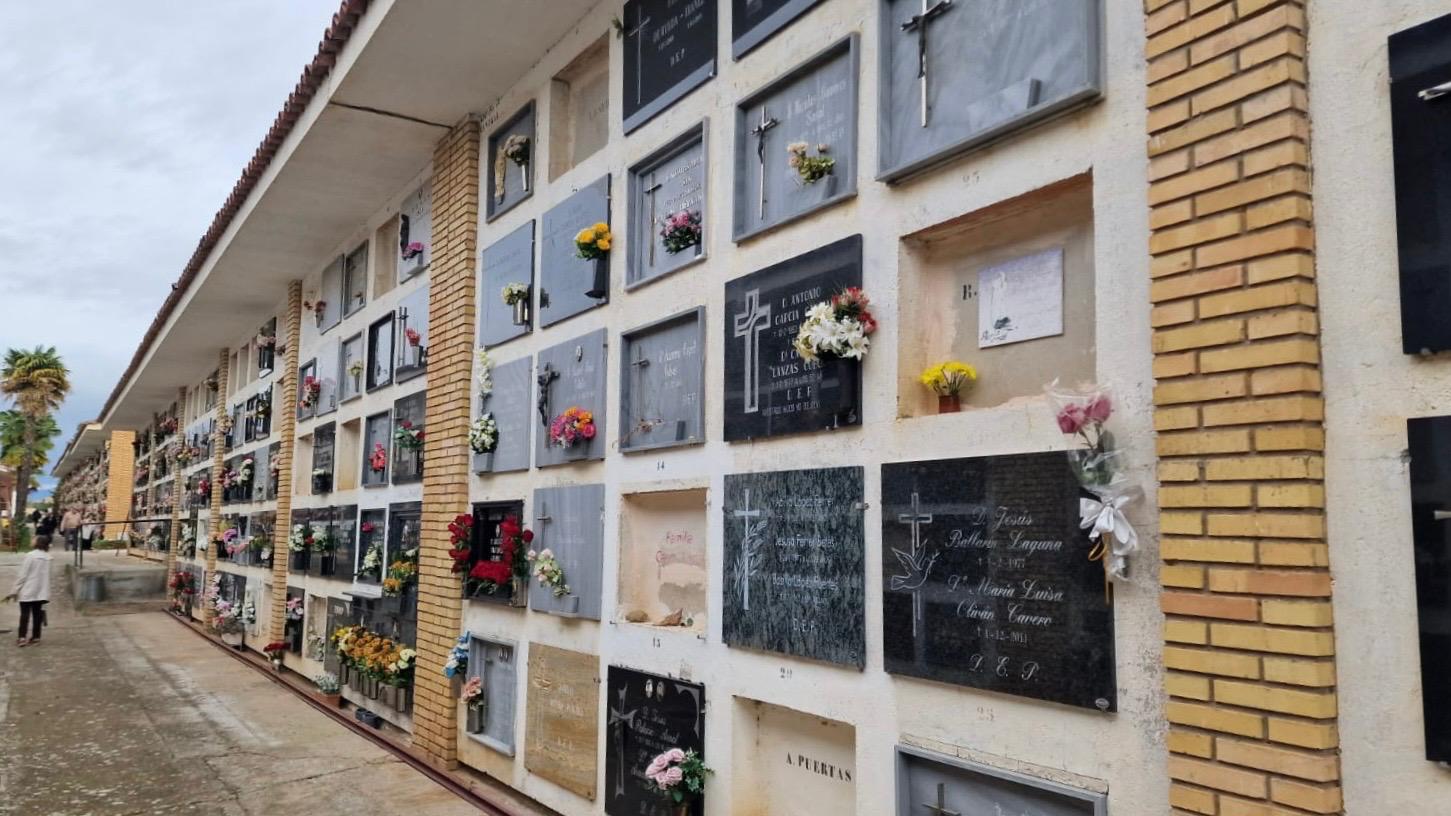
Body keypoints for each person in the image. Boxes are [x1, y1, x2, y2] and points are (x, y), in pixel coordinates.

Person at [6, 534, 52, 646]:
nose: (32, 540)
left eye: (34, 539)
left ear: (38, 542)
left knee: (25, 615)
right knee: (38, 615)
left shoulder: (30, 556)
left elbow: (23, 575)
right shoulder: (48, 557)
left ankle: (22, 638)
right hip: (42, 592)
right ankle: (36, 638)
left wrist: (14, 591)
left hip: (28, 590)